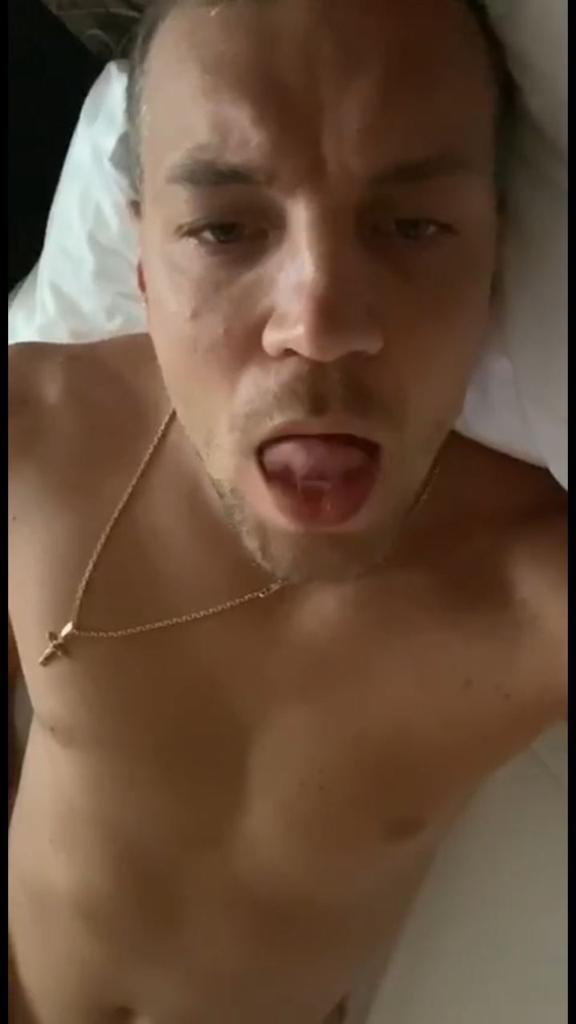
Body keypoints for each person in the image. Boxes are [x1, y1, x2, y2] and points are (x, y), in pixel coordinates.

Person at [8, 1, 567, 1022]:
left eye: (412, 227)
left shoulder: (536, 598)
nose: (318, 323)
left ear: (497, 256)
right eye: (224, 230)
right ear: (143, 267)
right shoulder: (32, 444)